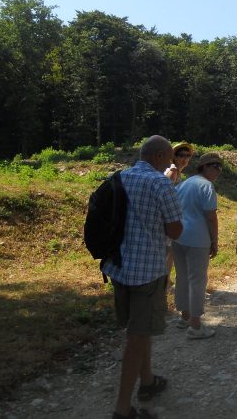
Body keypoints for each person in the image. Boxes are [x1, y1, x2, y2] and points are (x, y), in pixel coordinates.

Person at [103, 135, 183, 419]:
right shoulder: (161, 183)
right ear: (160, 156)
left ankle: (147, 381)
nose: (173, 161)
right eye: (170, 156)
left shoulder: (119, 177)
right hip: (147, 271)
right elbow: (175, 231)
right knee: (137, 337)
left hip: (118, 267)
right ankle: (122, 409)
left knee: (139, 328)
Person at [173, 152, 223, 339]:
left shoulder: (185, 183)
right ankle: (195, 326)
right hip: (197, 240)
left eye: (220, 167)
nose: (218, 170)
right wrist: (214, 241)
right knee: (197, 281)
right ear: (204, 166)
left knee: (182, 277)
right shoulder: (207, 186)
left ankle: (184, 317)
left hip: (179, 236)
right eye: (214, 166)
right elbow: (211, 217)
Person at [164, 142, 194, 289]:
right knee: (169, 251)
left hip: (175, 217)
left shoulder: (178, 172)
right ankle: (165, 283)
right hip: (170, 217)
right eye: (181, 155)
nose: (185, 159)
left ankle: (167, 281)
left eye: (188, 156)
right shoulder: (173, 171)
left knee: (171, 251)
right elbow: (167, 193)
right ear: (174, 157)